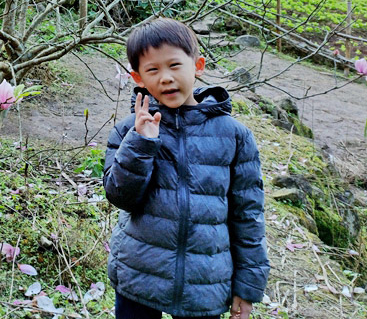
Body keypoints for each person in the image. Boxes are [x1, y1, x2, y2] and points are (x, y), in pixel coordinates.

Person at [103, 18, 269, 319]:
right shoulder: (129, 131)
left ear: (198, 65)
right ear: (137, 77)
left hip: (204, 282)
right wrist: (141, 143)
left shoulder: (234, 136)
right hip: (139, 274)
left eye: (175, 65)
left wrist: (247, 287)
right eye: (153, 70)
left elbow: (248, 216)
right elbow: (120, 197)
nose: (166, 78)